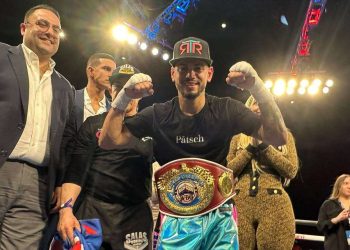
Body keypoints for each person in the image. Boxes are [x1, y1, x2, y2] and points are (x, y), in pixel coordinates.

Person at [98, 36, 288, 249]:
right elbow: (108, 141)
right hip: (176, 218)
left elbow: (278, 136)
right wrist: (123, 98)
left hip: (221, 217)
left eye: (198, 67)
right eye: (182, 68)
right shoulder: (158, 115)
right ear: (172, 74)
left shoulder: (227, 109)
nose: (190, 75)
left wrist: (258, 89)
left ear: (209, 73)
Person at [0, 4, 75, 249]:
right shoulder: (2, 56)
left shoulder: (65, 87)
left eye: (56, 29)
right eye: (42, 24)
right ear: (24, 28)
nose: (50, 32)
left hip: (38, 183)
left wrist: (60, 182)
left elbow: (65, 140)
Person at [57, 64, 154, 250]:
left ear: (140, 93)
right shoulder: (93, 125)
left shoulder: (152, 127)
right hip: (93, 212)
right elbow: (76, 171)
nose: (127, 94)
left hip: (135, 216)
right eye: (121, 88)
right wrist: (66, 210)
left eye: (131, 88)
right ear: (112, 91)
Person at [41, 52, 117, 249]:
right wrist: (59, 183)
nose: (112, 75)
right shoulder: (70, 98)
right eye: (107, 69)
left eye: (114, 71)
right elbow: (57, 142)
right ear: (91, 71)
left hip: (95, 191)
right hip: (62, 186)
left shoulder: (113, 111)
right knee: (49, 238)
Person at [226, 95, 299, 250]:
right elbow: (228, 172)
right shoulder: (237, 138)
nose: (259, 107)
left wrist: (265, 147)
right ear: (248, 108)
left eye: (264, 104)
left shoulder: (285, 136)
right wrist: (250, 148)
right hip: (240, 203)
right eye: (255, 104)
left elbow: (291, 171)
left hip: (275, 203)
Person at [317, 174, 350, 250]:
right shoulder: (328, 204)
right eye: (346, 183)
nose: (349, 186)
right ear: (339, 186)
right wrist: (337, 219)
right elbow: (320, 226)